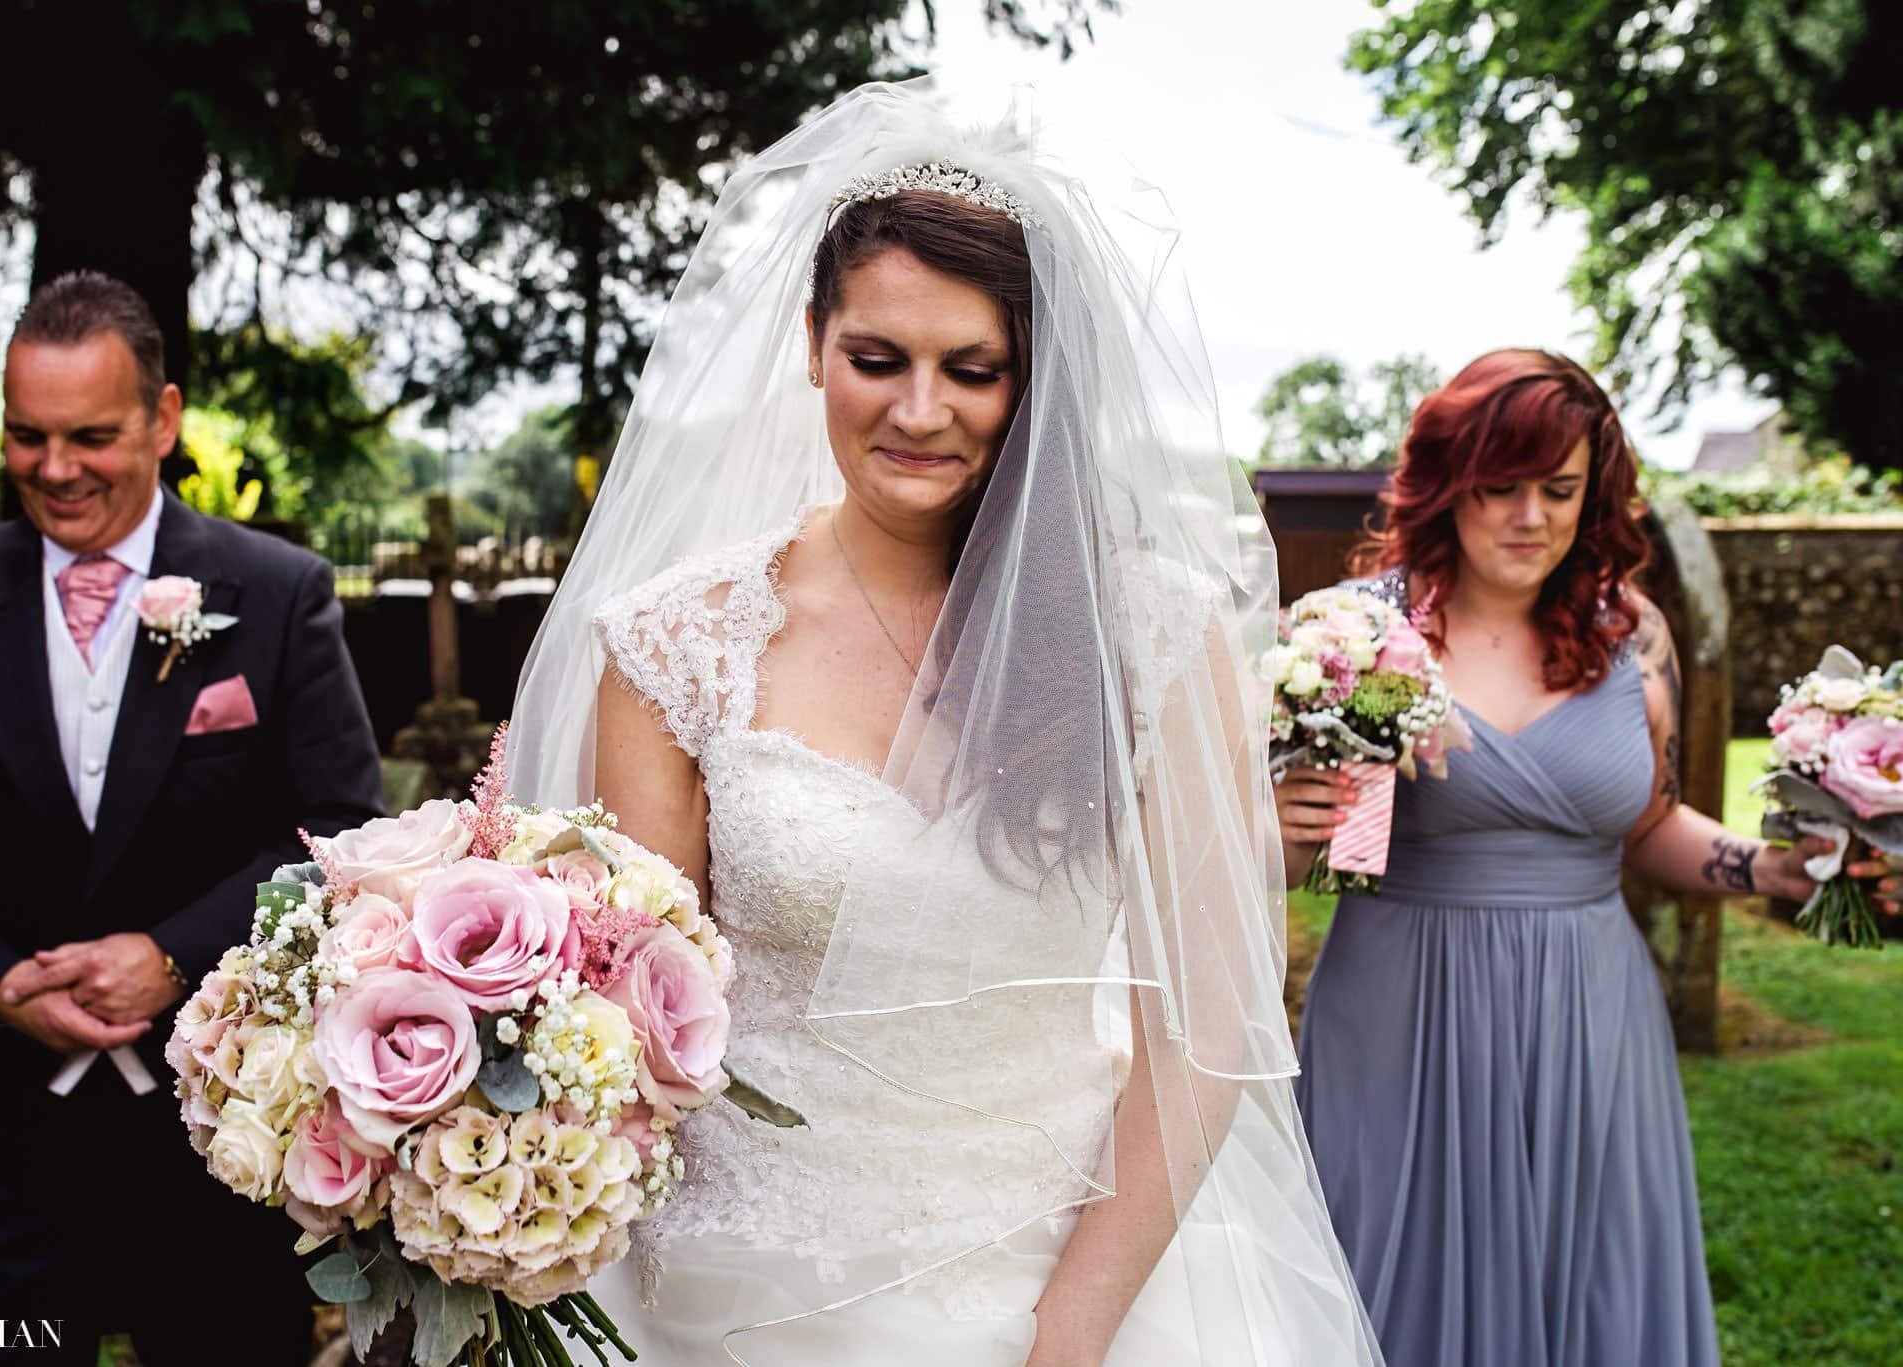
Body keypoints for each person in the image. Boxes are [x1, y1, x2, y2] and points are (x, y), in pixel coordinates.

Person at [503, 81, 1381, 1366]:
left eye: (972, 369)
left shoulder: (1144, 630)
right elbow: (633, 1012)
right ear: (812, 343)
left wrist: (1067, 1334)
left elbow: (1207, 1024)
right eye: (878, 360)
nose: (921, 411)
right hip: (739, 1290)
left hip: (1076, 1268)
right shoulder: (673, 644)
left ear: (1031, 377)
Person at [1285, 348, 1861, 1367]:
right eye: (1497, 485)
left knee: (1586, 1289)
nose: (1528, 516)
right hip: (1401, 1007)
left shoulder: (1628, 635)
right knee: (1383, 1283)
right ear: (1445, 484)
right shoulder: (1355, 636)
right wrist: (1283, 819)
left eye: (1557, 488)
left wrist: (1763, 868)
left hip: (1588, 1013)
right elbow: (1302, 847)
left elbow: (1647, 823)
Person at [0, 272, 384, 1364]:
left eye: (91, 435)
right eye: (26, 436)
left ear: (165, 418)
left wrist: (174, 955)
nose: (55, 470)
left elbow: (338, 832)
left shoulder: (276, 593)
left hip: (220, 1142)